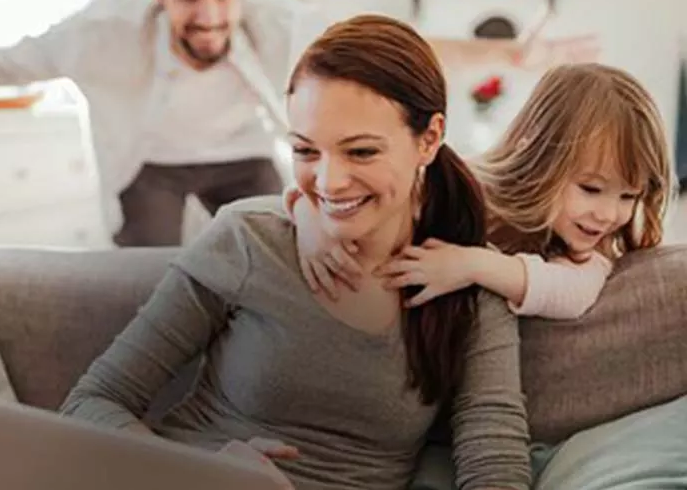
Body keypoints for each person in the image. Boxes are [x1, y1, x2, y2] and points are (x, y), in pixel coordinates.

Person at [60, 14, 530, 490]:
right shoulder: (251, 240)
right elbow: (93, 402)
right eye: (305, 150)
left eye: (360, 151)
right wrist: (199, 472)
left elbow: (500, 487)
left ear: (429, 140)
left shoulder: (470, 290)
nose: (329, 183)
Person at [0, 0, 591, 247]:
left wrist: (507, 57)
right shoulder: (99, 34)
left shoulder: (277, 19)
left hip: (242, 153)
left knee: (284, 246)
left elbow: (390, 42)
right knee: (152, 272)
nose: (210, 14)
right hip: (150, 162)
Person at [285, 63, 673, 320]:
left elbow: (575, 293)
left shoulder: (589, 249)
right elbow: (326, 191)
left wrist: (470, 265)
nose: (608, 214)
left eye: (629, 196)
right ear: (536, 155)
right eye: (591, 189)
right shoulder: (465, 185)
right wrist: (312, 225)